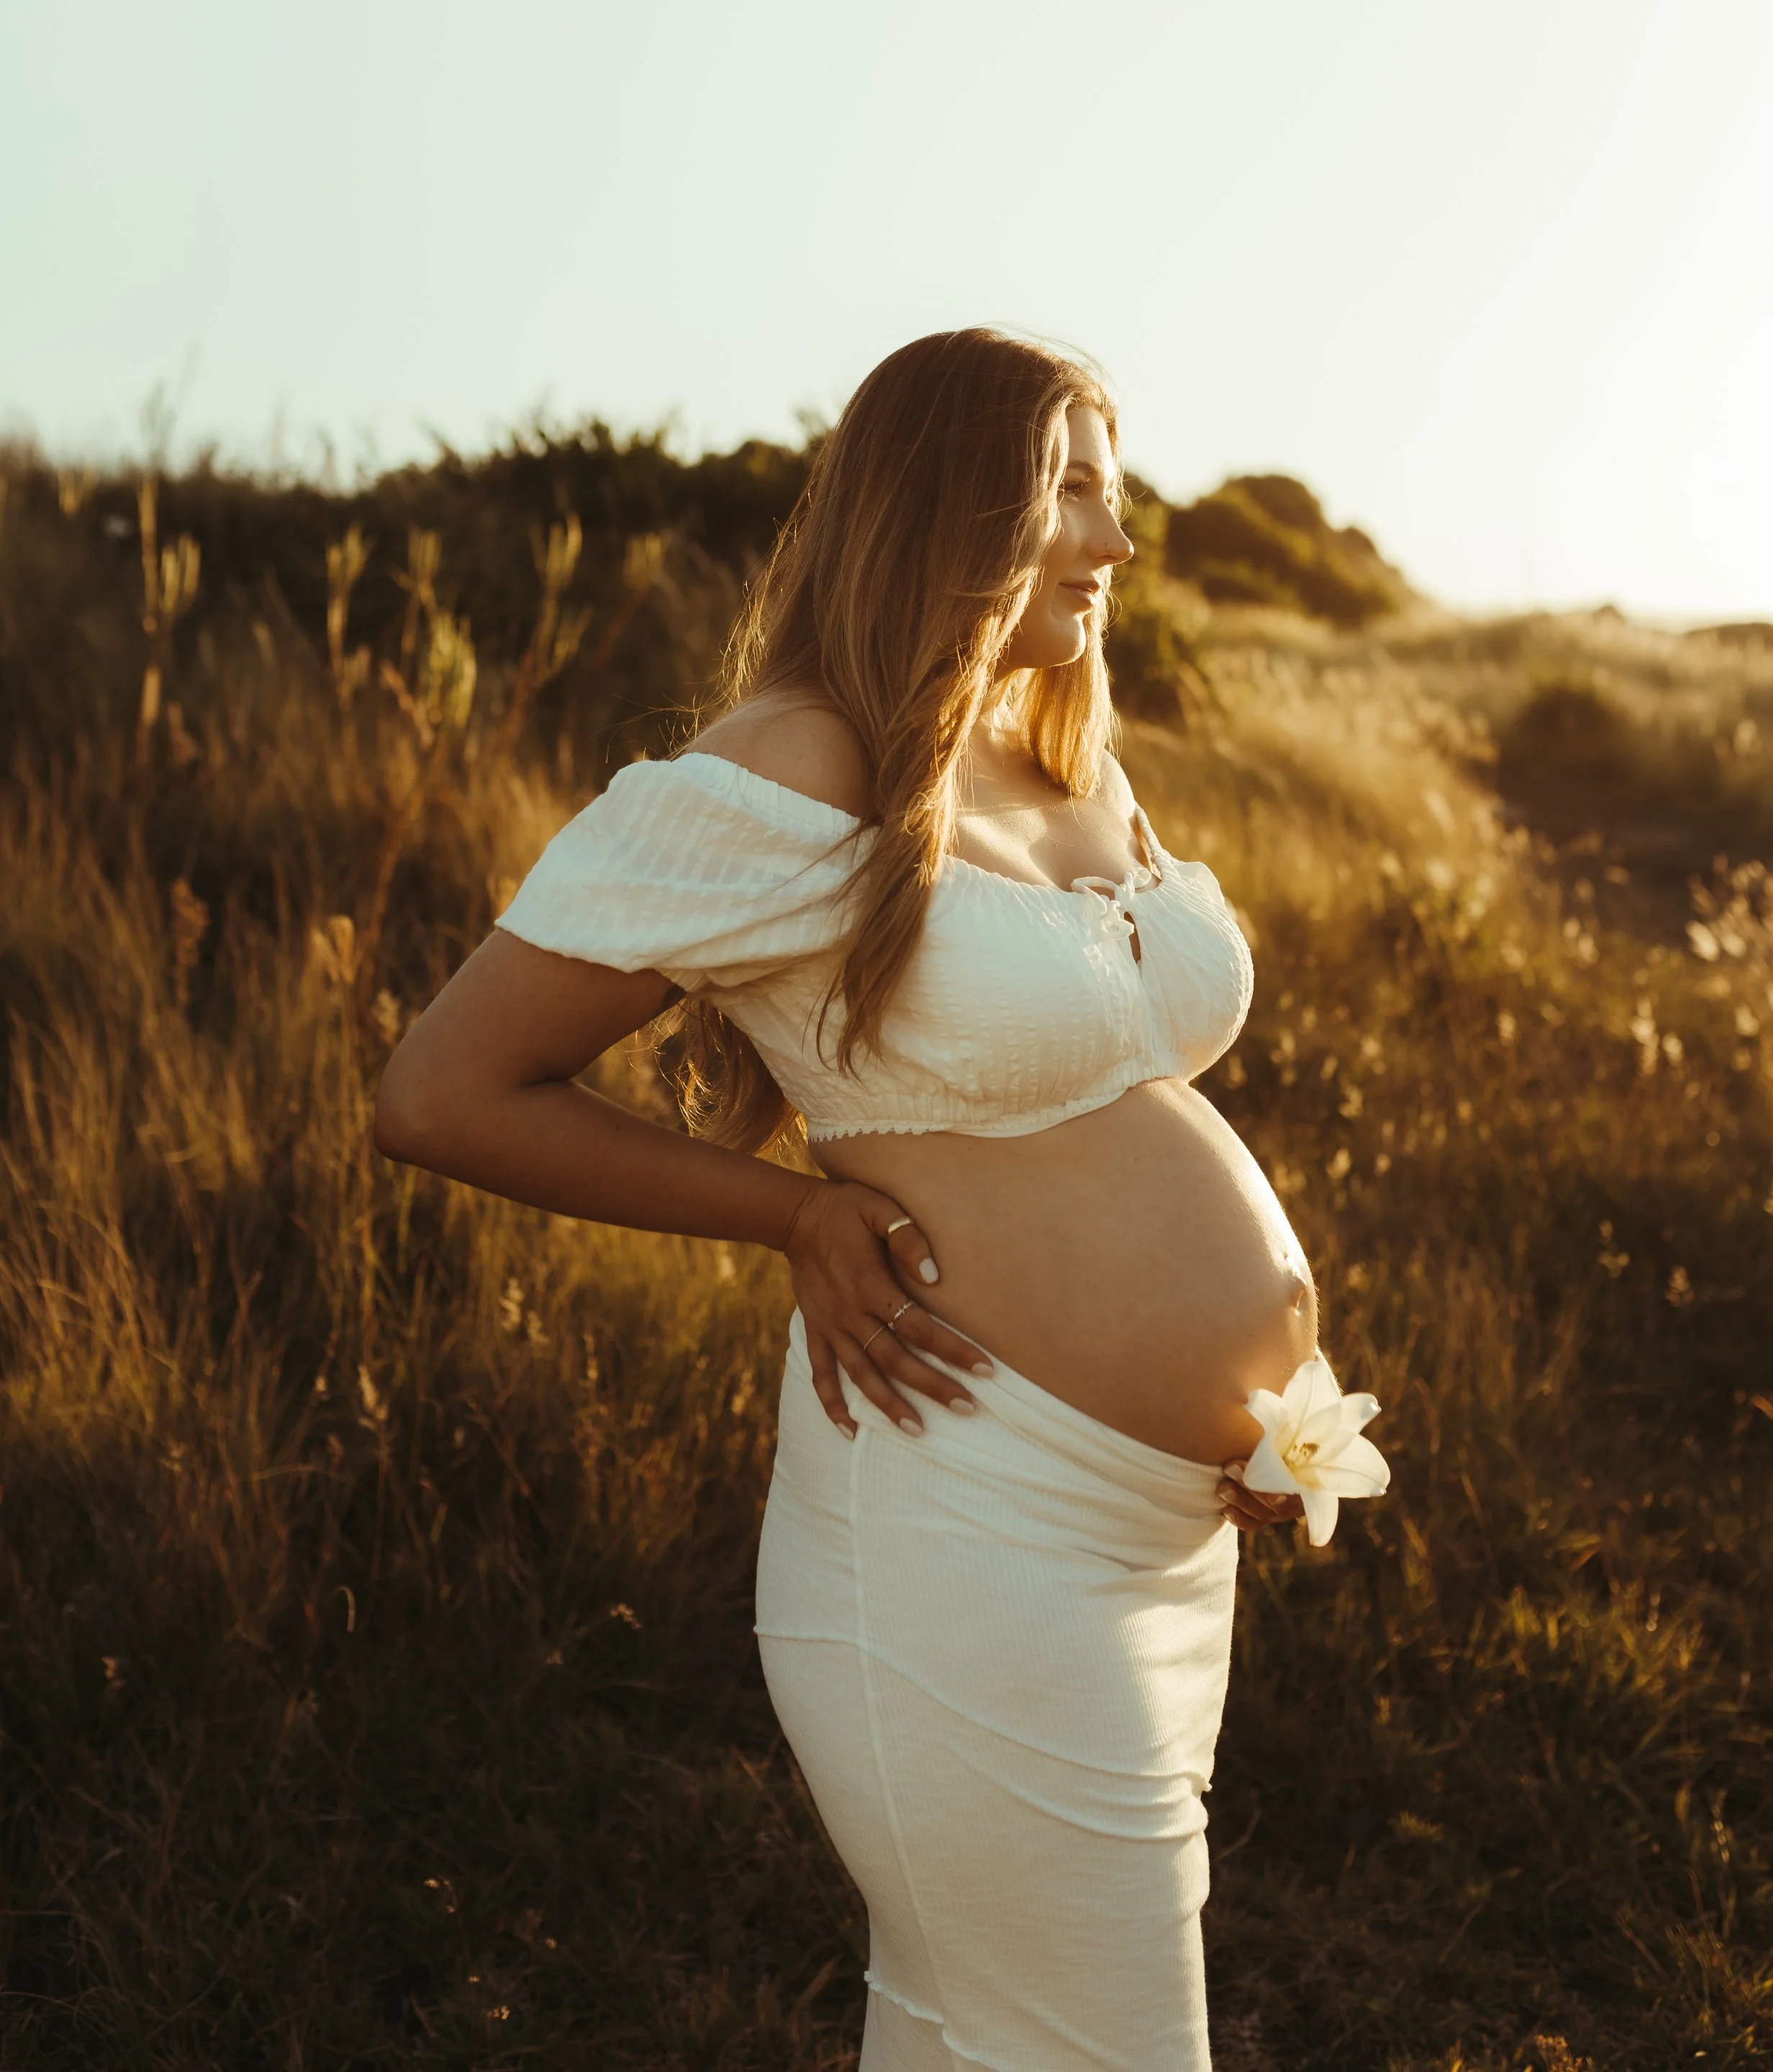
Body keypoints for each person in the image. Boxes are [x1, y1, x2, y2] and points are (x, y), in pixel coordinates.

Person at [375, 328, 1318, 2072]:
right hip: (966, 1518)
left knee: (972, 2033)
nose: (1116, 544)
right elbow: (440, 1092)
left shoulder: (1058, 755)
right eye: (1076, 495)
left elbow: (1111, 1096)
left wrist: (1239, 1419)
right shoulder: (794, 768)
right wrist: (787, 1213)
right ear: (956, 502)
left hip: (1157, 1535)